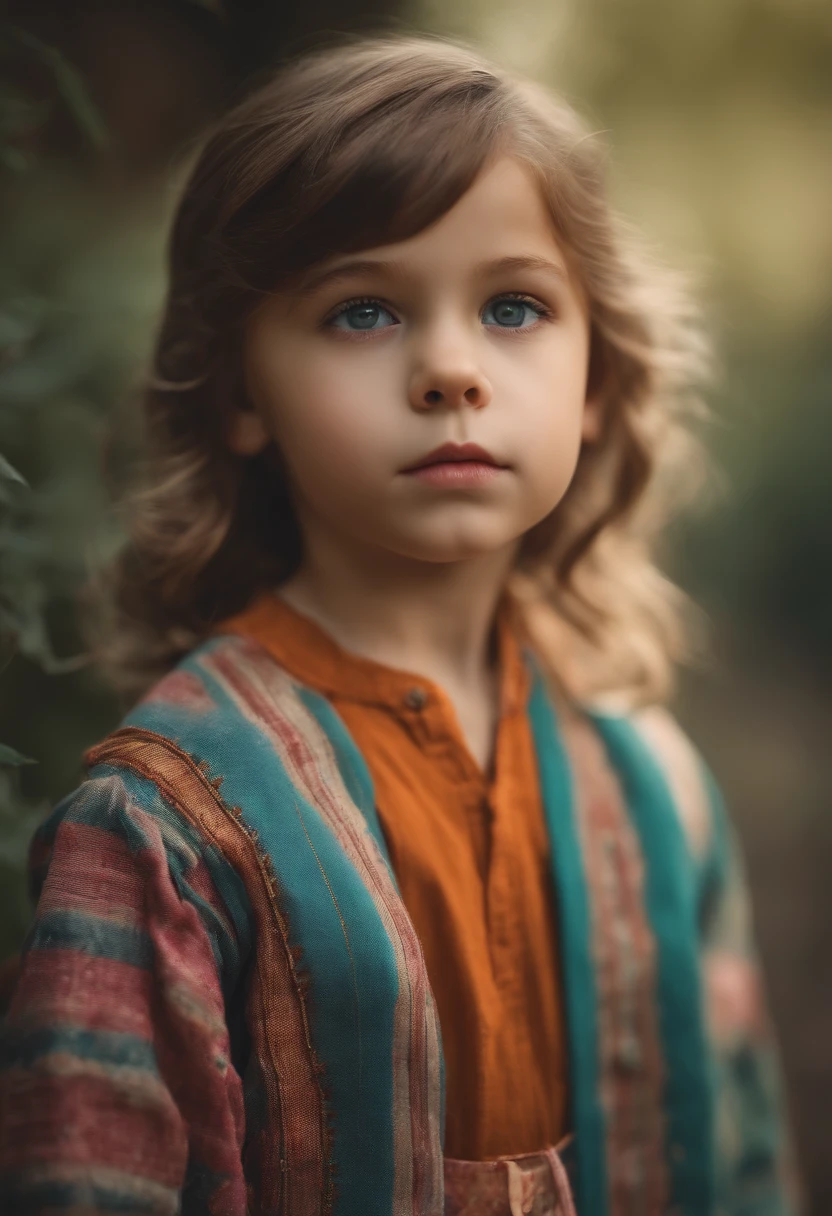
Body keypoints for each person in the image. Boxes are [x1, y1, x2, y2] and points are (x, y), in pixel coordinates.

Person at [0, 34, 799, 1216]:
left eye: (514, 306)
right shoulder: (166, 827)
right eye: (363, 311)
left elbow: (742, 1161)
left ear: (594, 378)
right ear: (238, 396)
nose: (448, 368)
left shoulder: (655, 787)